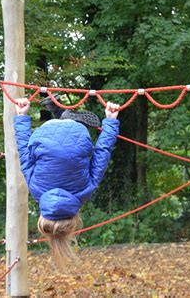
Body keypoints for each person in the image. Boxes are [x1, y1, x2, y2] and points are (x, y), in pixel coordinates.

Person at [14, 95, 120, 270]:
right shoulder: (35, 190)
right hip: (44, 132)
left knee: (78, 153)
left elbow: (102, 153)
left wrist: (110, 120)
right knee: (43, 153)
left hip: (77, 133)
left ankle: (64, 116)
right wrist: (22, 116)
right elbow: (24, 154)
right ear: (42, 218)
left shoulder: (86, 191)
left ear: (74, 222)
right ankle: (60, 115)